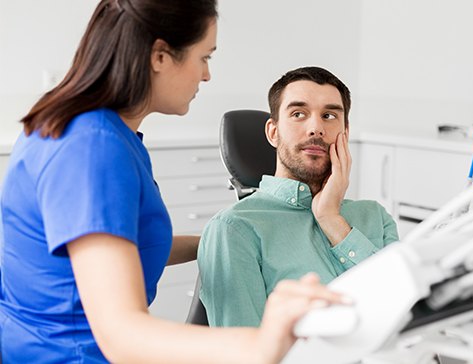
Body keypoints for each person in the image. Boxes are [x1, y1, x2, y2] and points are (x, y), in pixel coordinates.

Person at [0, 2, 348, 363]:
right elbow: (122, 335)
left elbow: (119, 249)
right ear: (160, 56)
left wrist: (229, 239)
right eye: (204, 57)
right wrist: (261, 343)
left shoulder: (99, 131)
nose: (206, 75)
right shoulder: (92, 149)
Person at [198, 66, 399, 327]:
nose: (316, 128)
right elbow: (243, 350)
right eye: (298, 114)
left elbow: (405, 310)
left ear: (345, 134)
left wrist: (331, 219)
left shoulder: (375, 216)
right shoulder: (235, 229)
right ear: (273, 132)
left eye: (329, 115)